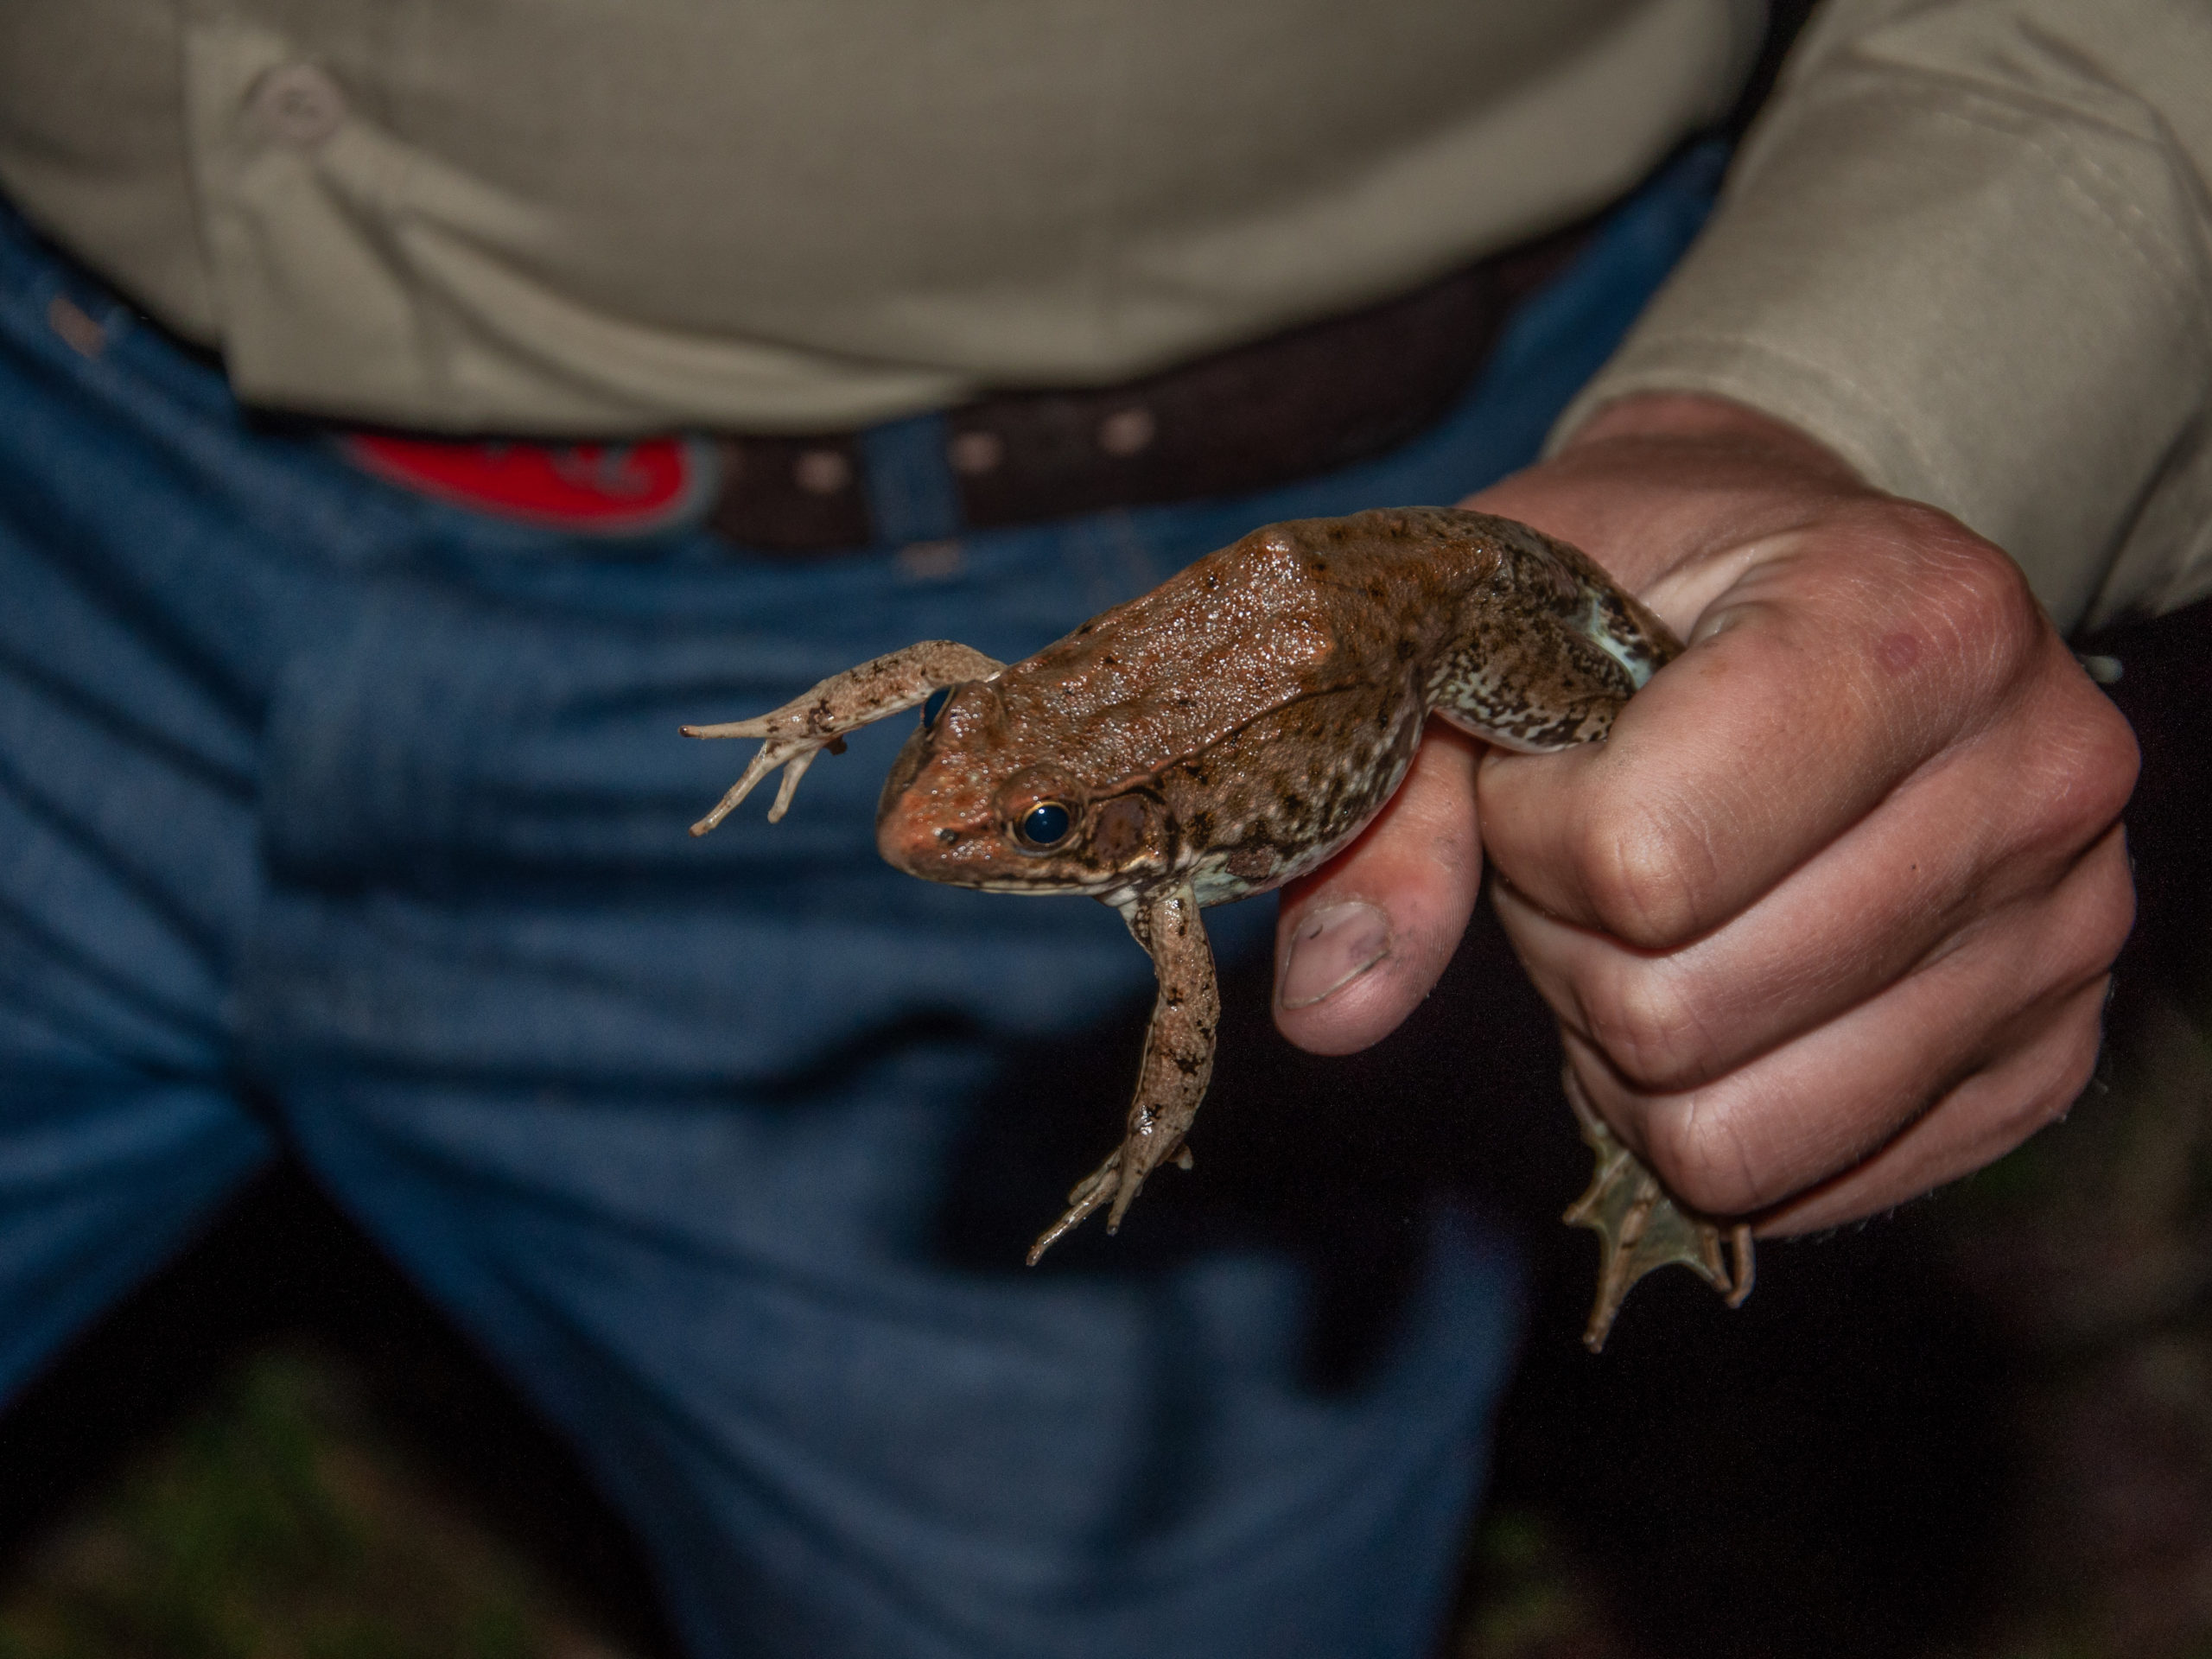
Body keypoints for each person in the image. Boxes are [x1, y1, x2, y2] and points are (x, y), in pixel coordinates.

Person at [0, 1, 2185, 1654]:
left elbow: (1178, 1014)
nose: (961, 835)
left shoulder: (1147, 881)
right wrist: (813, 733)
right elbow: (953, 724)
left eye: (1018, 832)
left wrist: (1853, 422)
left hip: (1234, 474)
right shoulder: (994, 747)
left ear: (1096, 832)